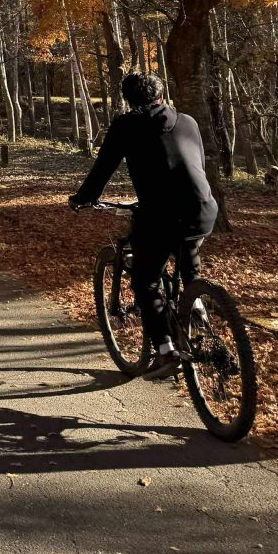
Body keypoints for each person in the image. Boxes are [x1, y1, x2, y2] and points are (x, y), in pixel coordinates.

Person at [69, 71, 218, 377]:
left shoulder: (126, 125)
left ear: (128, 100)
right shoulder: (188, 121)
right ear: (161, 95)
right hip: (203, 208)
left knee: (144, 280)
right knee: (188, 264)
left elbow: (103, 168)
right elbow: (197, 164)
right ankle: (195, 304)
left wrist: (82, 198)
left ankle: (165, 351)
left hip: (161, 215)